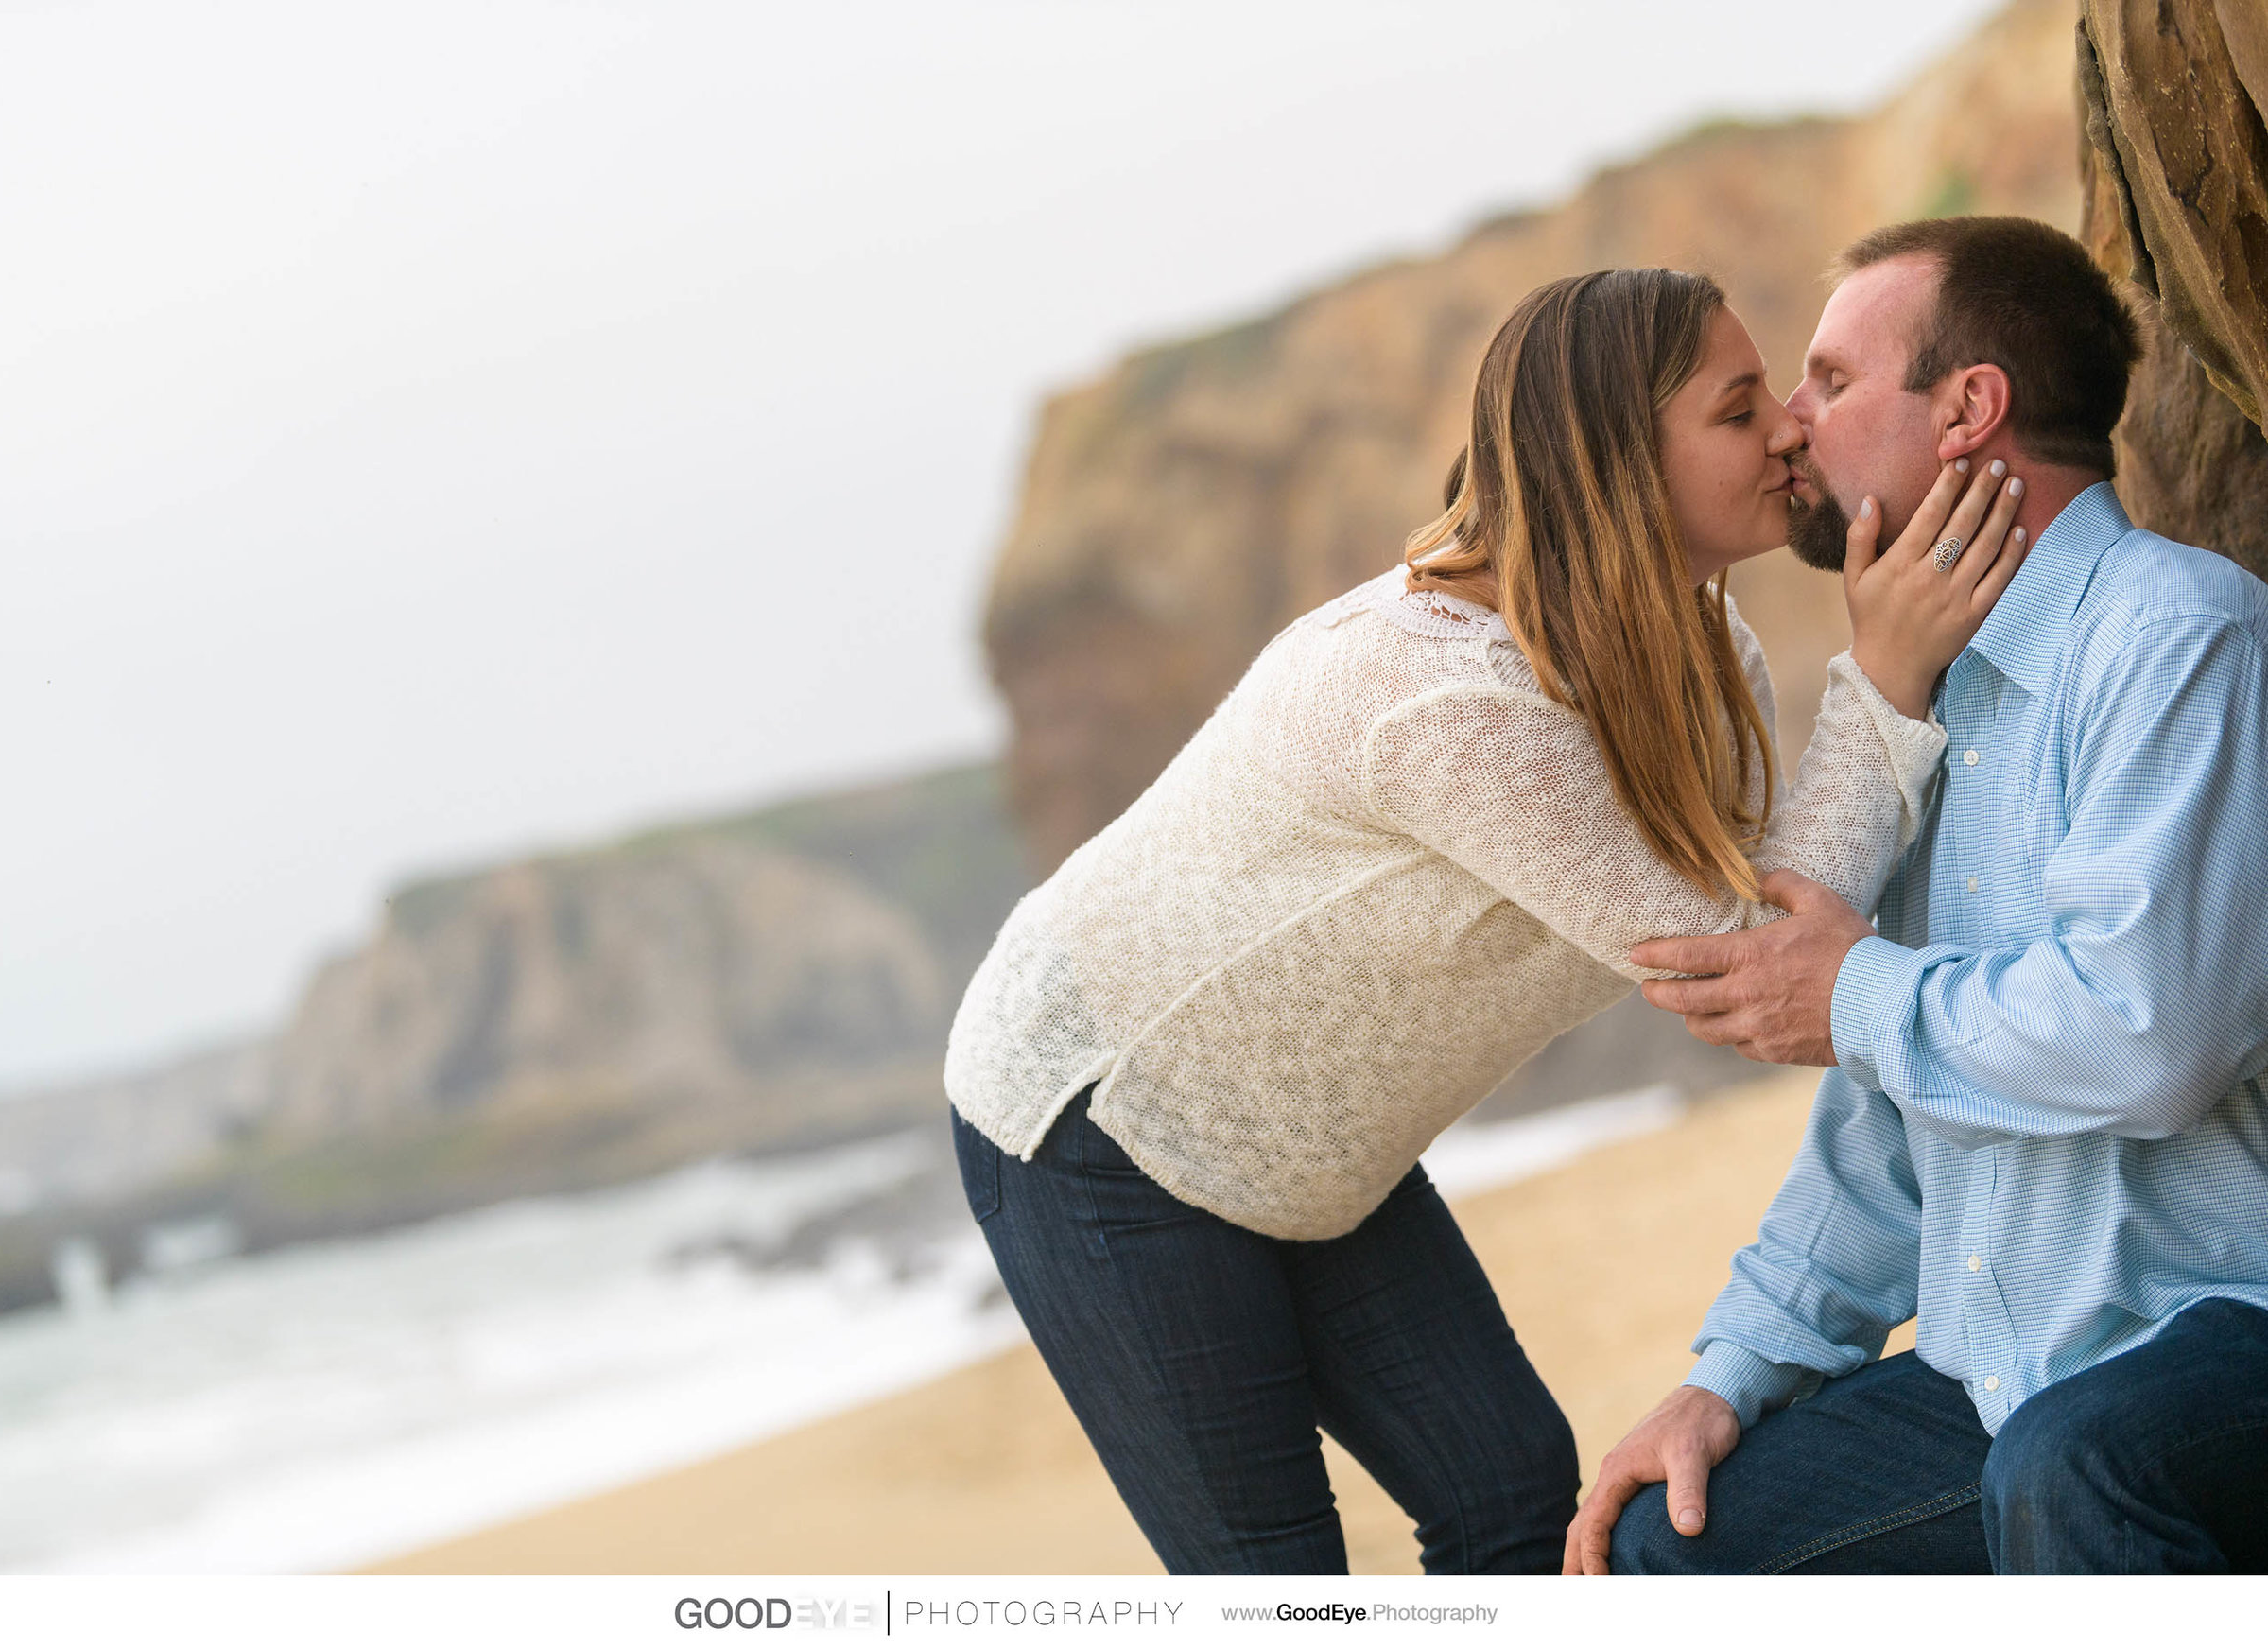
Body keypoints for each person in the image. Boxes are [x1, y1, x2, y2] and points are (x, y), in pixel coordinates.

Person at [944, 266, 2029, 1574]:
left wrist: (1882, 692)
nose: (1792, 426)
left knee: (1511, 1491)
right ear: (1618, 461)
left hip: (1309, 1135)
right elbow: (1736, 970)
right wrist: (1886, 676)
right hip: (1099, 1118)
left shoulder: (1705, 651)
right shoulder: (1444, 704)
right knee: (1275, 1581)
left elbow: (1781, 909)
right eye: (1741, 410)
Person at [1567, 216, 2268, 1576]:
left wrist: (1851, 990)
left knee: (2074, 1464)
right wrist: (1734, 1369)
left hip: (2222, 1329)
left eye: (1830, 381)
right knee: (1672, 1549)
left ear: (1968, 410)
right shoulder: (1926, 699)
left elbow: (2151, 1035)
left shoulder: (2178, 636)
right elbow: (1890, 1113)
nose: (1790, 424)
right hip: (2006, 1374)